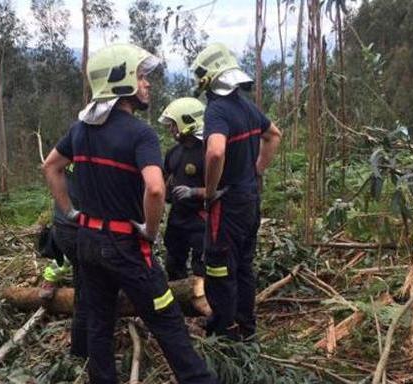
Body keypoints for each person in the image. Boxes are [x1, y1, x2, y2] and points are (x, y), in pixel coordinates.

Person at [43, 43, 217, 384]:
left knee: (99, 323)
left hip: (88, 242)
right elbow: (155, 188)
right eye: (140, 76)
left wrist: (71, 212)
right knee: (166, 316)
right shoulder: (140, 133)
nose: (147, 83)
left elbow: (51, 166)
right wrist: (150, 231)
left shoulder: (80, 130)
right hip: (127, 245)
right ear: (120, 81)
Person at [190, 43, 282, 341]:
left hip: (227, 203)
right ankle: (246, 326)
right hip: (250, 199)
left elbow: (215, 152)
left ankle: (225, 330)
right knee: (243, 264)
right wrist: (257, 168)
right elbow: (274, 135)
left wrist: (210, 190)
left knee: (218, 267)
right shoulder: (247, 107)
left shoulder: (217, 110)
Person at [39, 163, 87, 358]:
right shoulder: (83, 158)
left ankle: (80, 349)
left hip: (67, 226)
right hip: (74, 229)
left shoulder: (70, 156)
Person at [158, 97, 207, 280]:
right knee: (173, 262)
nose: (171, 129)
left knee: (201, 266)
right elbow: (163, 177)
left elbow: (221, 188)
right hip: (177, 217)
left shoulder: (208, 152)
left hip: (201, 217)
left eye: (174, 125)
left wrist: (194, 192)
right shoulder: (173, 152)